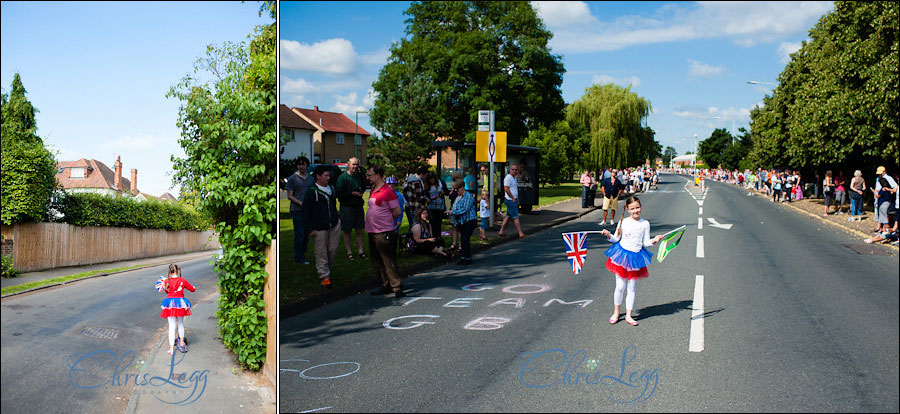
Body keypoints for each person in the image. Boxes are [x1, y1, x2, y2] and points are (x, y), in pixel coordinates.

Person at [598, 196, 663, 327]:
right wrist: (608, 235)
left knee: (632, 287)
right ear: (627, 209)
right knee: (620, 286)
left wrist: (654, 240)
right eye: (632, 208)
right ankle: (616, 312)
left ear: (641, 207)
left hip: (636, 257)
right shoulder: (623, 222)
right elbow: (616, 239)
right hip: (622, 257)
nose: (635, 211)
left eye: (637, 207)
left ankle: (628, 315)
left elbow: (645, 242)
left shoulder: (645, 224)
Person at [365, 165, 405, 298]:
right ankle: (385, 284)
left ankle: (396, 286)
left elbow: (397, 211)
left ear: (377, 175)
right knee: (376, 260)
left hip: (384, 230)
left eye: (369, 175)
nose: (368, 177)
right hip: (372, 230)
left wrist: (385, 220)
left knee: (388, 259)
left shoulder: (388, 191)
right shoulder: (372, 190)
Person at [303, 165, 341, 287]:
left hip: (334, 224)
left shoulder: (331, 189)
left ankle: (327, 270)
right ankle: (324, 275)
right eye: (325, 175)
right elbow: (305, 212)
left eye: (329, 175)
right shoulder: (311, 191)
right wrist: (309, 229)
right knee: (321, 252)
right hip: (319, 226)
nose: (328, 178)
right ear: (318, 176)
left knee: (332, 250)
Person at [158, 264, 195, 355]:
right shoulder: (182, 280)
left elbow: (167, 291)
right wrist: (194, 287)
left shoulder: (166, 281)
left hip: (169, 304)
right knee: (180, 323)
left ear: (169, 272)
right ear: (178, 271)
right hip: (180, 304)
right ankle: (182, 342)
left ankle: (171, 348)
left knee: (171, 326)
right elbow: (192, 289)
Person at [285, 156, 315, 264]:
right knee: (300, 234)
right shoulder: (293, 178)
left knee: (306, 235)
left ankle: (302, 255)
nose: (301, 166)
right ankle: (298, 258)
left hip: (308, 211)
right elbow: (289, 196)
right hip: (297, 210)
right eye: (299, 164)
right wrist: (301, 203)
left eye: (303, 164)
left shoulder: (311, 179)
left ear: (307, 165)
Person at [336, 157, 367, 260]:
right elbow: (339, 194)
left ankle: (361, 251)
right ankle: (349, 252)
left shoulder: (359, 176)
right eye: (353, 164)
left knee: (359, 230)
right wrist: (351, 193)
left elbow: (364, 186)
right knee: (347, 231)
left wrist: (360, 192)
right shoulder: (342, 178)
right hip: (347, 208)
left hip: (358, 206)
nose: (355, 167)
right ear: (348, 165)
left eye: (357, 164)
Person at [451, 179, 478, 265]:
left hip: (470, 220)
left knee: (465, 239)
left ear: (462, 187)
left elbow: (465, 209)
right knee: (462, 240)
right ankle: (463, 257)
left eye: (457, 189)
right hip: (462, 221)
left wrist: (453, 212)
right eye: (455, 189)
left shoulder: (468, 196)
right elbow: (455, 207)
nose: (456, 191)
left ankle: (468, 258)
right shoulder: (458, 198)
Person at [498, 164, 526, 239]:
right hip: (510, 200)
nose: (514, 171)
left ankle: (501, 231)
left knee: (508, 216)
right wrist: (513, 197)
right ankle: (520, 232)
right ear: (510, 170)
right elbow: (506, 189)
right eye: (513, 169)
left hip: (513, 199)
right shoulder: (508, 178)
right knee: (516, 217)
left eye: (515, 170)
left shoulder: (514, 177)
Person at [424, 171, 448, 244]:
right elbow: (425, 196)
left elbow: (447, 192)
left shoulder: (441, 183)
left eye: (432, 179)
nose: (432, 181)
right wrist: (430, 199)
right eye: (430, 180)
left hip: (440, 207)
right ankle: (433, 238)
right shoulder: (427, 186)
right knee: (432, 224)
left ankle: (439, 239)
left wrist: (444, 192)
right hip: (431, 207)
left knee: (438, 224)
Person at [871, 166, 898, 231]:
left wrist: (890, 191)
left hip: (884, 198)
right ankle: (879, 227)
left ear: (884, 171)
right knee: (878, 211)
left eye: (881, 173)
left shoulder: (888, 178)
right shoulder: (878, 178)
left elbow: (895, 187)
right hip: (878, 198)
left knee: (883, 212)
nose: (879, 175)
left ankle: (884, 228)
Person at [402, 166, 429, 231]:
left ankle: (410, 240)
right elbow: (420, 197)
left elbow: (404, 192)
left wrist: (409, 202)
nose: (426, 177)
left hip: (411, 207)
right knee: (417, 227)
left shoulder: (410, 181)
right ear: (422, 174)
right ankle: (414, 240)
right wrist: (428, 199)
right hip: (417, 208)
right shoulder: (417, 182)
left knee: (412, 225)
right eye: (426, 175)